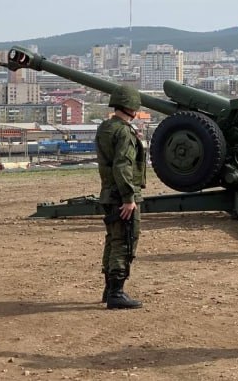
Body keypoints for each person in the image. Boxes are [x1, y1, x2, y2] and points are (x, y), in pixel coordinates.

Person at [95, 84, 147, 310]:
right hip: (121, 195)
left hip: (108, 192)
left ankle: (109, 289)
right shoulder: (124, 132)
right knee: (124, 241)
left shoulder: (106, 127)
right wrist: (128, 197)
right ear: (132, 107)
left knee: (113, 240)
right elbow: (123, 165)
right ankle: (117, 292)